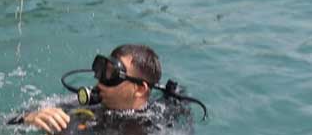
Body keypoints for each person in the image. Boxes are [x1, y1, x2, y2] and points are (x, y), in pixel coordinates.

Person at [13, 45, 200, 134]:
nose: (100, 82)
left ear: (140, 89)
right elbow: (5, 122)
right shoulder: (81, 104)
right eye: (102, 71)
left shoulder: (156, 126)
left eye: (112, 76)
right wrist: (30, 118)